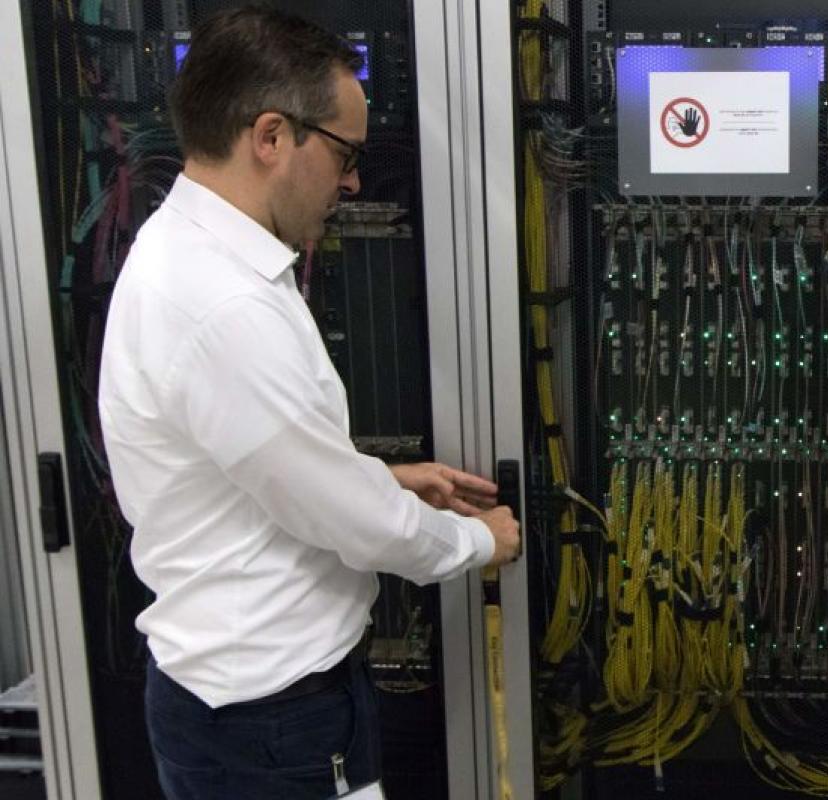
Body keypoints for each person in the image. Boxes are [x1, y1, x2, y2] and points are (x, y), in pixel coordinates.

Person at [95, 7, 522, 798]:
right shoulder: (223, 305)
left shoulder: (194, 254)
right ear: (270, 137)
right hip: (269, 728)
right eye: (344, 153)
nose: (353, 180)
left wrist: (382, 479)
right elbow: (353, 526)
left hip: (246, 707)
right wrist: (481, 545)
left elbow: (256, 473)